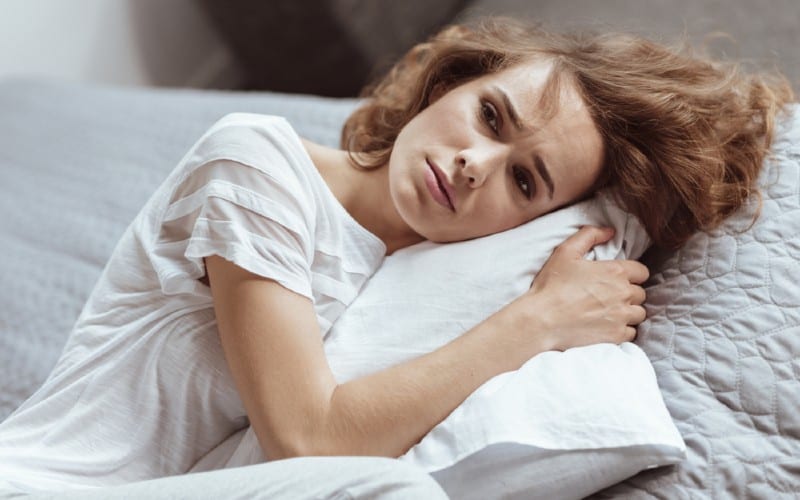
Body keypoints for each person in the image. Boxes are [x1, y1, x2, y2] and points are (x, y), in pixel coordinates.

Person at [0, 16, 793, 499]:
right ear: (450, 83)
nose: (473, 164)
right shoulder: (253, 163)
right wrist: (534, 322)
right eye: (489, 114)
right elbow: (310, 443)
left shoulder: (410, 276)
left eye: (524, 180)